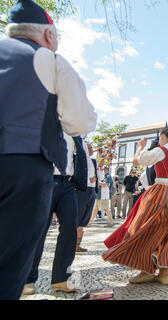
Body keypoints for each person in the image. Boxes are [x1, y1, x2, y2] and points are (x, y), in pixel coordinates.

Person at [0, 0, 97, 300]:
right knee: (10, 259)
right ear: (49, 35)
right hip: (26, 167)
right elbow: (81, 121)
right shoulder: (52, 60)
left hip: (55, 178)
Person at [103, 124, 168, 285]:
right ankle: (164, 273)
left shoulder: (160, 150)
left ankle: (146, 270)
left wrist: (141, 147)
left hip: (160, 194)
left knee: (144, 228)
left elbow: (138, 160)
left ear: (163, 136)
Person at [23, 133, 87, 295]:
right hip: (43, 180)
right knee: (38, 231)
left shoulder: (75, 131)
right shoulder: (43, 122)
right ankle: (27, 279)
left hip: (67, 183)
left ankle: (61, 278)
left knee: (70, 229)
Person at [75, 140, 97, 253]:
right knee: (78, 215)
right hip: (82, 189)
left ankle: (78, 244)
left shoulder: (93, 161)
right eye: (89, 148)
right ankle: (73, 243)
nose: (91, 150)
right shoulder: (77, 158)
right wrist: (88, 180)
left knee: (85, 216)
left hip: (91, 190)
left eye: (91, 148)